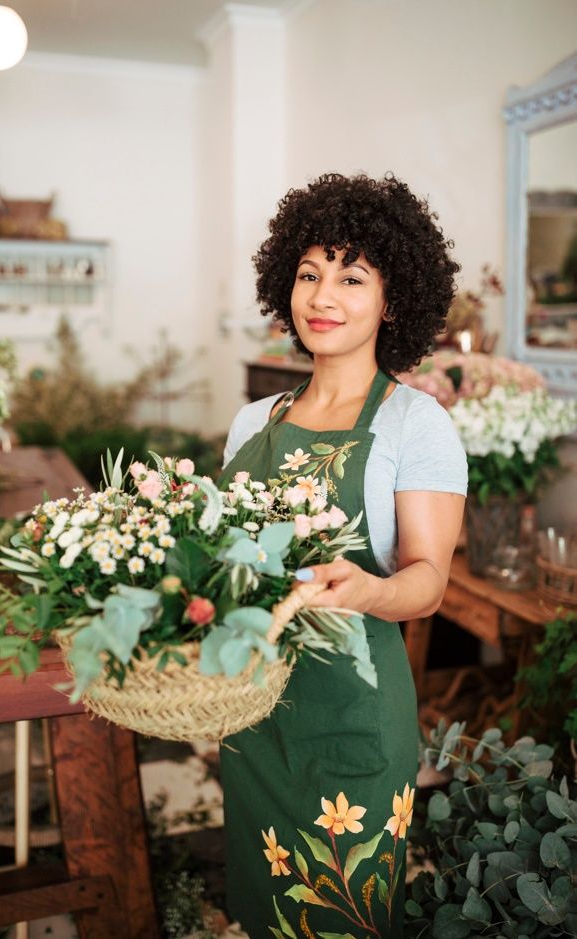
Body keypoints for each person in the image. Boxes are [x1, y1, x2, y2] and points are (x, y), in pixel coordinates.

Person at [216, 173, 467, 937]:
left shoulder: (414, 424)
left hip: (355, 720)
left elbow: (426, 581)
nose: (323, 294)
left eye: (352, 276)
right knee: (266, 913)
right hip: (255, 718)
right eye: (309, 273)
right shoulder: (252, 420)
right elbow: (224, 563)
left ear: (393, 300)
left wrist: (363, 589)